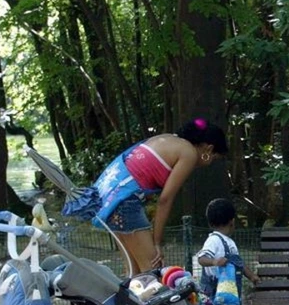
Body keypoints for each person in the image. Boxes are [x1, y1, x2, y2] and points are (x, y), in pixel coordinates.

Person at [90, 118, 228, 275]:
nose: (210, 162)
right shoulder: (188, 152)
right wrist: (156, 243)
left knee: (133, 271)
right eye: (215, 158)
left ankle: (125, 299)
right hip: (125, 203)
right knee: (152, 270)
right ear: (208, 149)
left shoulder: (168, 138)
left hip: (109, 199)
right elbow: (165, 199)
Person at [196, 198, 260, 305]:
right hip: (215, 287)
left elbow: (239, 263)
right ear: (232, 221)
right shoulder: (213, 240)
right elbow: (202, 258)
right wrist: (214, 262)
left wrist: (251, 276)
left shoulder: (230, 243)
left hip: (231, 288)